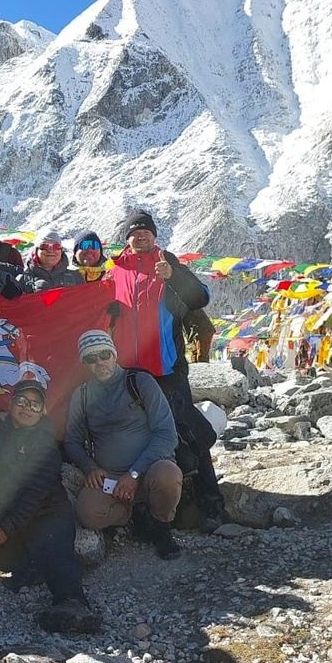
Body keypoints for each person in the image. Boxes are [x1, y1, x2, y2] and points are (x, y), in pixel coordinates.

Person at [107, 209, 224, 529]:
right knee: (138, 435)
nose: (140, 235)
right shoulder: (114, 270)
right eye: (134, 231)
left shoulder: (169, 264)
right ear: (126, 237)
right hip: (127, 372)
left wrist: (174, 276)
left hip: (167, 369)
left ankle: (211, 503)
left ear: (155, 235)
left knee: (189, 433)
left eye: (145, 231)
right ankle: (154, 507)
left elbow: (201, 297)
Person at [0, 379, 101, 633]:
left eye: (35, 404)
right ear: (10, 404)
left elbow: (33, 496)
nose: (27, 408)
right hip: (7, 509)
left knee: (55, 553)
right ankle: (28, 568)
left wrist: (5, 530)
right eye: (21, 401)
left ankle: (73, 605)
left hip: (48, 513)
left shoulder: (47, 443)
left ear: (43, 410)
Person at [64, 330, 182, 560]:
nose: (99, 362)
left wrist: (134, 473)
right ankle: (134, 515)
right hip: (111, 476)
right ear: (84, 363)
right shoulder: (83, 395)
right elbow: (73, 441)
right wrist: (89, 467)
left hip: (149, 468)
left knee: (168, 476)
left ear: (115, 354)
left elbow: (167, 434)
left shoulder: (139, 382)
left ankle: (161, 525)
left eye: (104, 354)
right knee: (88, 512)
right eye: (91, 358)